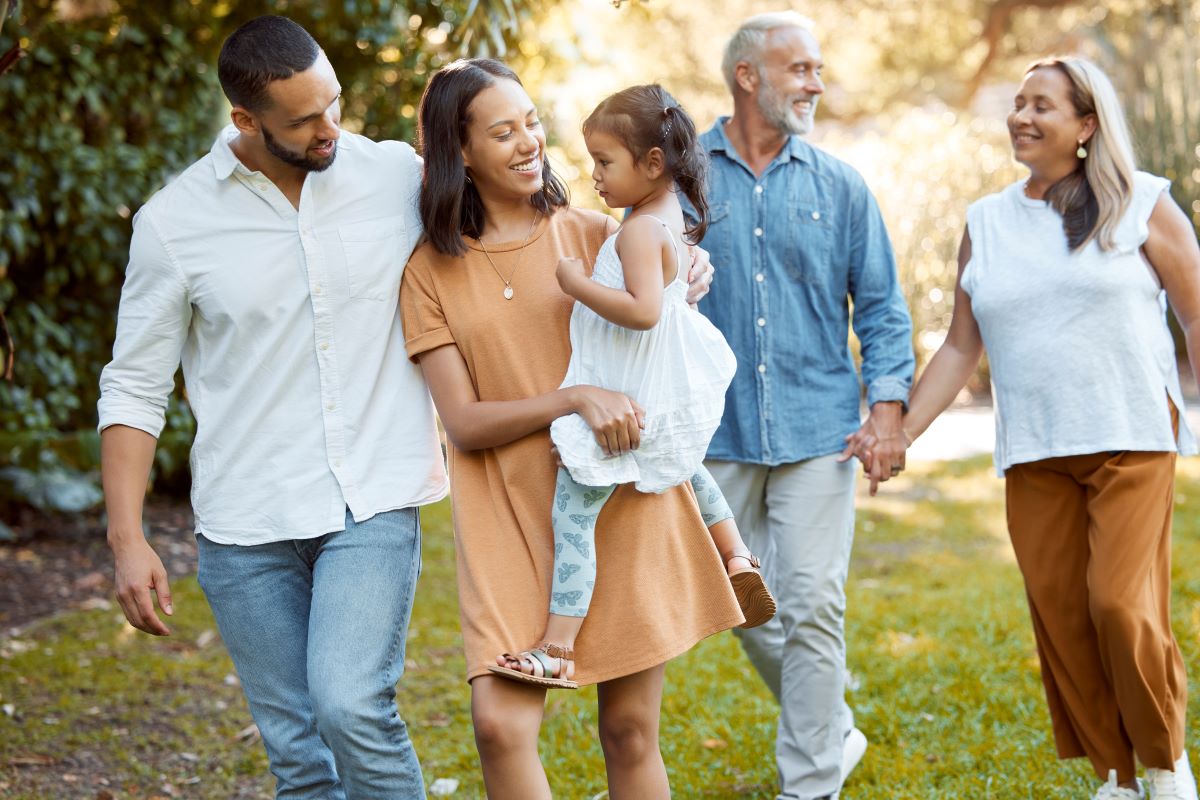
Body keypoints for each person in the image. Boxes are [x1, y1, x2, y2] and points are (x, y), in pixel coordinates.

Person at [97, 16, 446, 799]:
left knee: (352, 705)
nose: (332, 129)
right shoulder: (175, 224)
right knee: (295, 750)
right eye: (305, 120)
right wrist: (127, 539)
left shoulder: (394, 176)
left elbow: (512, 229)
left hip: (373, 497)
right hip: (244, 523)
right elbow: (134, 386)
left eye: (334, 105)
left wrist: (658, 258)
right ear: (245, 121)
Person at [399, 58, 744, 798]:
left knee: (628, 731)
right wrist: (573, 397)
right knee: (499, 725)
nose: (530, 143)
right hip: (506, 511)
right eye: (503, 131)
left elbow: (663, 314)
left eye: (531, 123)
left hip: (615, 496)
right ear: (458, 151)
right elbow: (460, 421)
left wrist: (692, 273)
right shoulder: (427, 272)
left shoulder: (595, 233)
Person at [878, 56, 1200, 800]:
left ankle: (1164, 762)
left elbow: (1193, 311)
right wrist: (903, 434)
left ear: (1086, 125)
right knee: (1063, 618)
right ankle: (1117, 776)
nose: (1021, 116)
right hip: (1035, 450)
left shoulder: (1144, 204)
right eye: (1018, 103)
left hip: (1130, 435)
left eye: (1042, 105)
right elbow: (962, 344)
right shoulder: (985, 222)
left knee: (1119, 604)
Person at [481, 84, 775, 690]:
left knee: (573, 517)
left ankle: (558, 645)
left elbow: (642, 310)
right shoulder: (666, 219)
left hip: (629, 394)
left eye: (605, 163)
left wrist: (575, 282)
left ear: (652, 164)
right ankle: (737, 554)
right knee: (687, 466)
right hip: (660, 386)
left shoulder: (639, 231)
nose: (594, 177)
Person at [691, 11, 916, 800]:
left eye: (818, 70)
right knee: (747, 603)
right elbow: (639, 296)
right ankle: (831, 726)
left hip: (821, 429)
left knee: (815, 604)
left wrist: (888, 410)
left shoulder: (841, 185)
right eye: (801, 69)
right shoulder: (681, 176)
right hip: (717, 432)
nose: (816, 83)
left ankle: (811, 782)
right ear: (748, 76)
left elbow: (883, 307)